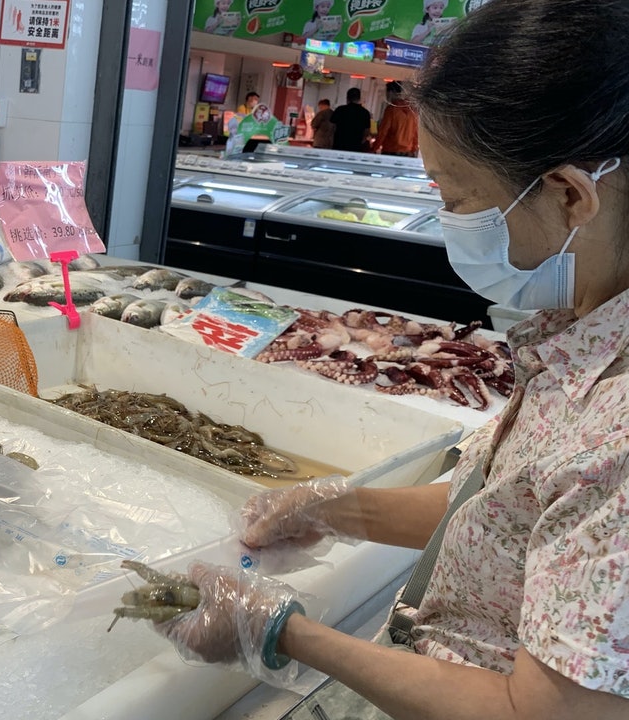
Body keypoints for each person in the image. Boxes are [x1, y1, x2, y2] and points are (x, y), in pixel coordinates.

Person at [149, 2, 629, 716]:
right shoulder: (578, 335)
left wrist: (280, 632)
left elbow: (546, 712)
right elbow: (501, 511)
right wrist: (333, 510)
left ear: (568, 195)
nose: (448, 221)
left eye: (456, 197)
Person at [373, 81, 419, 157]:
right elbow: (416, 133)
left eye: (387, 93)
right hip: (407, 152)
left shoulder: (391, 109)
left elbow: (383, 131)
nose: (386, 96)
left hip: (390, 150)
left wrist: (374, 148)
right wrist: (414, 149)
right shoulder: (413, 111)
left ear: (391, 92)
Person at [330, 87, 372, 153]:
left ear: (347, 98)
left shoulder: (340, 110)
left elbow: (332, 127)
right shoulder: (365, 113)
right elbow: (367, 132)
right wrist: (360, 142)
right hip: (355, 147)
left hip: (339, 145)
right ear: (359, 99)